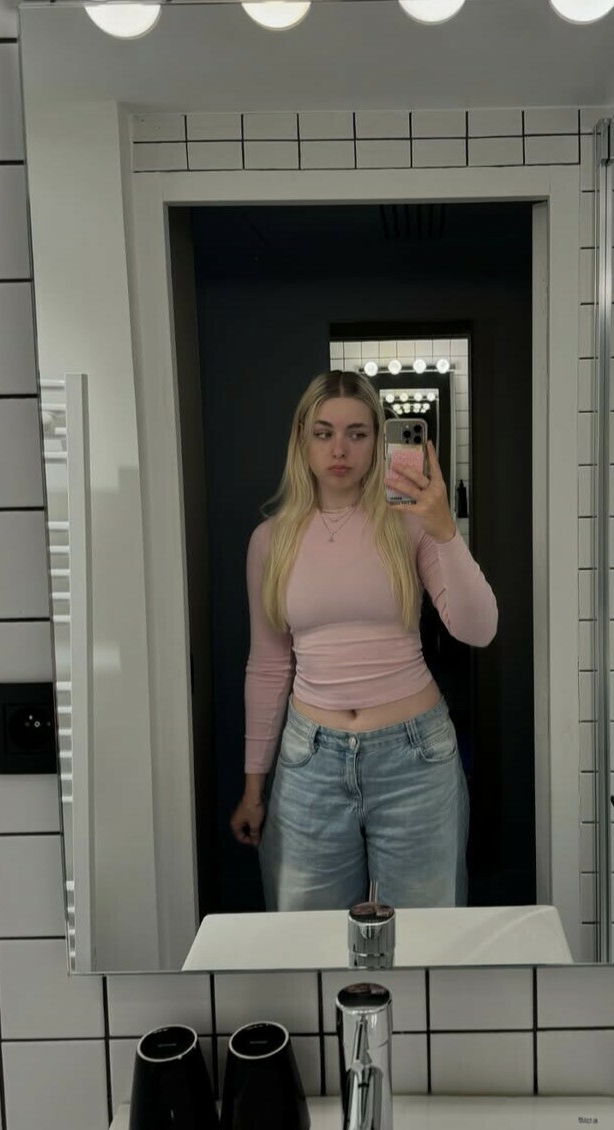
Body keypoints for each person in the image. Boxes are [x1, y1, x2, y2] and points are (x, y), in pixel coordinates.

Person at [230, 369, 498, 911]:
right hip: (309, 763)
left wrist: (445, 529)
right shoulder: (270, 541)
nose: (340, 449)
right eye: (324, 432)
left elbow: (478, 629)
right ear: (302, 438)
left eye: (357, 433)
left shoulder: (410, 525)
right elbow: (268, 667)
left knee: (424, 934)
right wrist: (254, 788)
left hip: (414, 757)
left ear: (379, 440)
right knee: (307, 935)